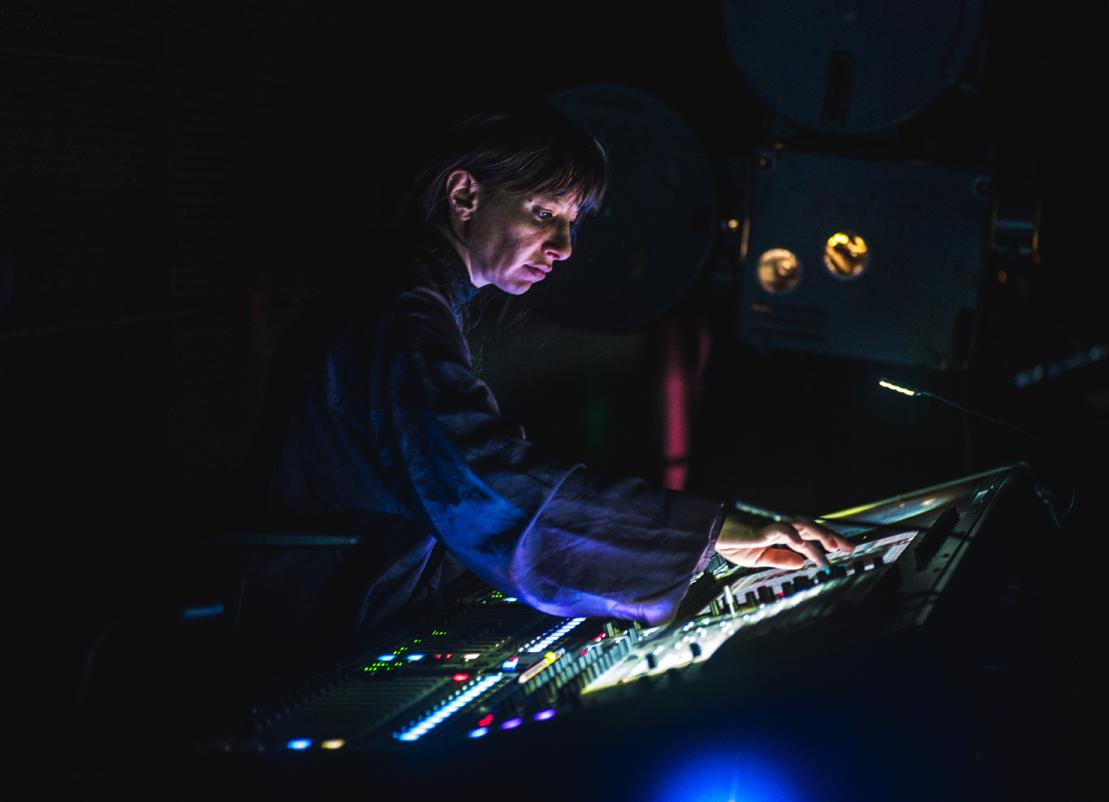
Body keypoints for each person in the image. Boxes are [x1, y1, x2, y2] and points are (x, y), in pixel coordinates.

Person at [240, 101, 852, 646]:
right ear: (464, 196)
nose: (563, 246)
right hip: (324, 634)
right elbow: (488, 483)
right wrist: (706, 535)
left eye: (570, 222)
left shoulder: (407, 297)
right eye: (543, 213)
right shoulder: (401, 317)